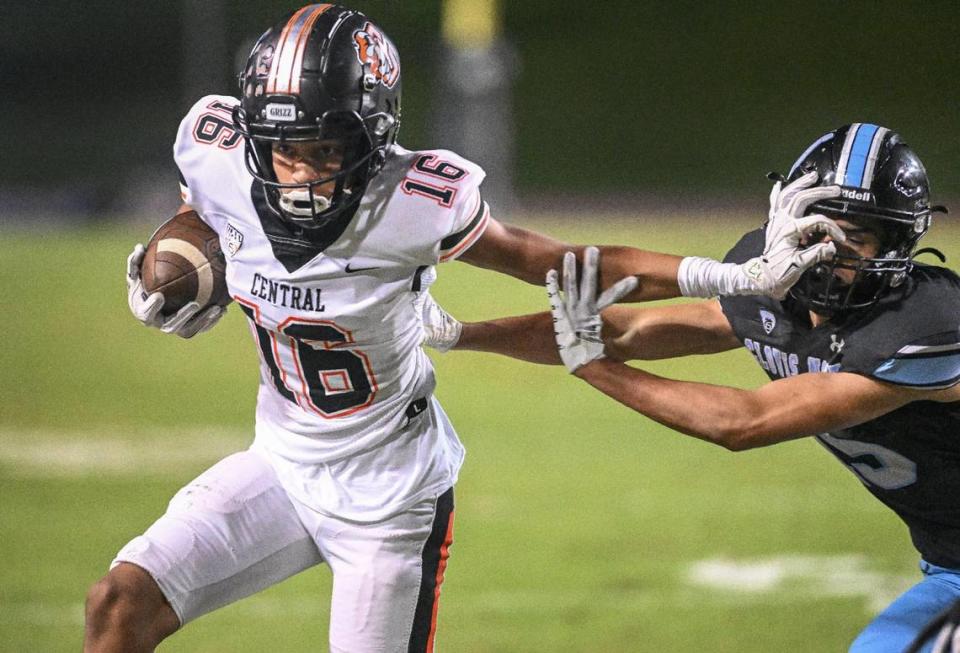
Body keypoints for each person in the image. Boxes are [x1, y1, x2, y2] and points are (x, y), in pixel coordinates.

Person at [82, 5, 839, 652]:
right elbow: (199, 210)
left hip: (390, 496)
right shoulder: (215, 151)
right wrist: (174, 264)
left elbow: (566, 263)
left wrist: (734, 276)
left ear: (370, 137)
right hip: (281, 462)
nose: (300, 174)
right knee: (118, 605)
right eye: (284, 150)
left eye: (323, 151)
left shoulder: (416, 201)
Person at [433, 123, 960, 653]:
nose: (828, 252)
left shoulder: (926, 326)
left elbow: (743, 422)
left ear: (895, 247)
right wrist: (461, 335)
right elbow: (628, 331)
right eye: (818, 230)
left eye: (855, 238)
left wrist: (592, 365)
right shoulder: (772, 282)